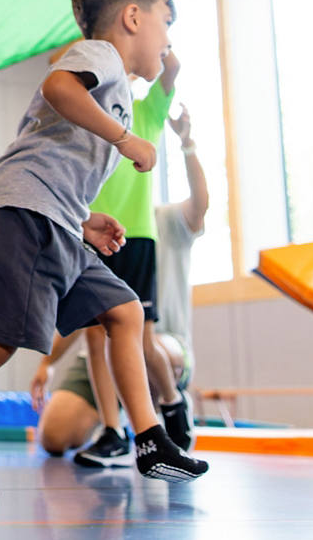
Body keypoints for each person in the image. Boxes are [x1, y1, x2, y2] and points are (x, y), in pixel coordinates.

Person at [0, 0, 208, 500]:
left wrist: (85, 219)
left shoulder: (115, 86)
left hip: (54, 218)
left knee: (126, 310)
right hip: (23, 212)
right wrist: (123, 138)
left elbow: (53, 153)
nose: (168, 40)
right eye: (166, 22)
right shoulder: (101, 57)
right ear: (132, 18)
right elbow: (57, 86)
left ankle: (150, 440)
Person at [35, 107, 208, 461]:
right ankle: (114, 429)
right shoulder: (95, 230)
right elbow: (83, 312)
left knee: (141, 339)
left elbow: (201, 204)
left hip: (166, 343)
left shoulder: (167, 221)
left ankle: (169, 404)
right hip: (101, 351)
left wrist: (187, 143)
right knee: (54, 435)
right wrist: (47, 362)